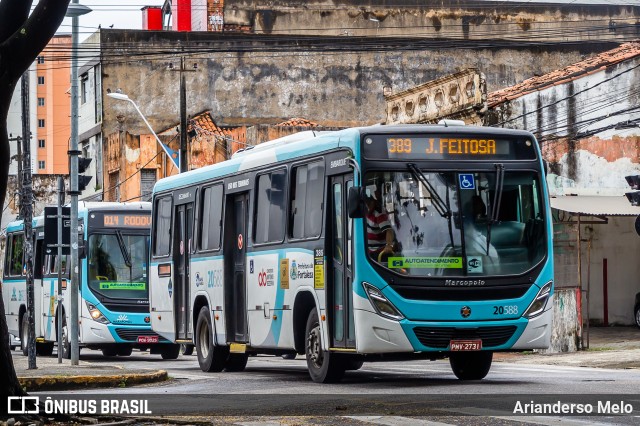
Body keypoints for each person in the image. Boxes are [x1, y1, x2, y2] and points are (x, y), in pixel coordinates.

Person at [365, 186, 394, 261]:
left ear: (373, 203)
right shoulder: (363, 215)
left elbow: (389, 230)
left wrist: (389, 245)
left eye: (369, 203)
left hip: (379, 252)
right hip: (367, 251)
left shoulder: (379, 214)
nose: (367, 206)